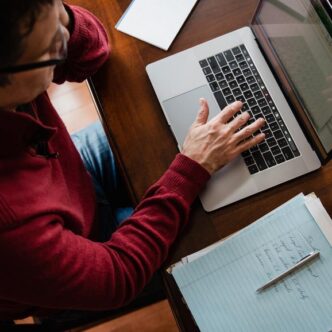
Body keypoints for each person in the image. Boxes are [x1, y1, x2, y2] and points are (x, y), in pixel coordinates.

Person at [0, 0, 265, 322]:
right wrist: (191, 168)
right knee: (230, 234)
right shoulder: (9, 227)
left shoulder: (19, 43)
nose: (64, 40)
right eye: (51, 48)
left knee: (184, 136)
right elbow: (119, 276)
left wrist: (48, 14)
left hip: (71, 176)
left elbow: (91, 53)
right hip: (88, 251)